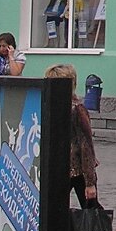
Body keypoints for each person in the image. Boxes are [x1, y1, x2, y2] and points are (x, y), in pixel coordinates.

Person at [47, 63, 99, 207]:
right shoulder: (50, 106)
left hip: (78, 169)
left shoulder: (77, 109)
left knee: (91, 210)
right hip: (58, 168)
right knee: (54, 210)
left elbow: (86, 145)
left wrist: (90, 182)